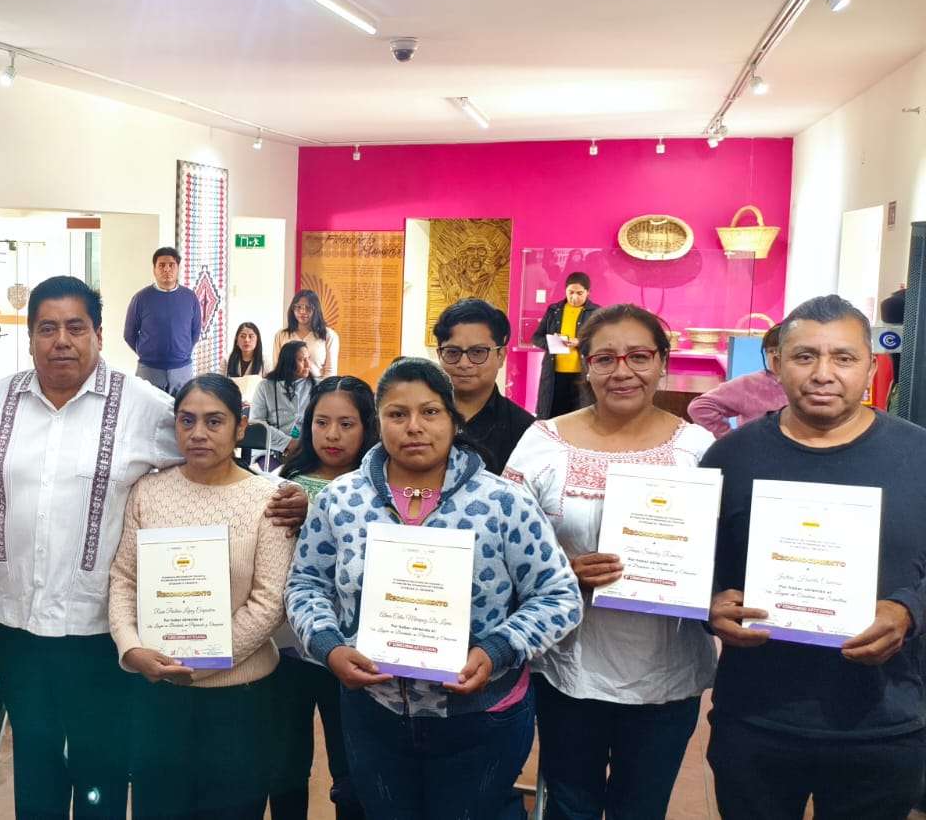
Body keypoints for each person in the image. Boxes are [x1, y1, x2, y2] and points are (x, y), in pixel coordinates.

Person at [0, 276, 306, 820]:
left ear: (100, 334)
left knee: (101, 764)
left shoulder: (144, 406)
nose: (61, 341)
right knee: (36, 760)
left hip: (101, 632)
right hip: (16, 622)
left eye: (76, 327)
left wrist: (285, 496)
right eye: (47, 328)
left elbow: (209, 452)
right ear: (30, 337)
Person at [286, 357, 581, 819]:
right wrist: (328, 646)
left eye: (430, 412)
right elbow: (306, 583)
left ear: (453, 418)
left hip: (480, 717)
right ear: (378, 421)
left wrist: (497, 650)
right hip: (374, 713)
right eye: (397, 414)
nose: (414, 427)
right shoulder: (341, 500)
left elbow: (559, 596)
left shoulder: (503, 502)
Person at [706, 294, 926, 819]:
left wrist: (910, 610)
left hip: (882, 725)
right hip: (755, 721)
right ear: (777, 364)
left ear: (871, 367)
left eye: (843, 358)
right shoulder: (730, 457)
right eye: (805, 356)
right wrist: (707, 608)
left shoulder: (918, 455)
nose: (823, 373)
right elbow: (699, 569)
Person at [503, 304, 717, 820]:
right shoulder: (543, 442)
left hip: (666, 673)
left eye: (639, 356)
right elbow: (506, 547)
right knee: (570, 805)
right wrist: (562, 573)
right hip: (569, 667)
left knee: (641, 809)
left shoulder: (698, 449)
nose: (623, 372)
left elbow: (721, 549)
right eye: (605, 359)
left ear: (662, 362)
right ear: (586, 365)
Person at [109, 374, 293, 819]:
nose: (198, 433)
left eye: (214, 421)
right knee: (158, 808)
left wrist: (197, 664)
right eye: (187, 420)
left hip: (240, 700)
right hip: (158, 692)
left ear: (240, 427)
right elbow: (124, 578)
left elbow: (269, 603)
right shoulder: (148, 491)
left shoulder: (268, 500)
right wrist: (131, 648)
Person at [271, 376, 378, 820]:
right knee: (285, 762)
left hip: (350, 648)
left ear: (368, 426)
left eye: (346, 424)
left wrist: (313, 514)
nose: (332, 435)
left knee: (350, 765)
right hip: (287, 645)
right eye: (321, 422)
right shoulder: (285, 481)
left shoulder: (377, 487)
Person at [433, 298, 535, 473]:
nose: (464, 363)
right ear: (439, 354)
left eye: (478, 352)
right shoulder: (416, 418)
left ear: (501, 356)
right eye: (452, 352)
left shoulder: (525, 430)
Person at [123, 246, 203, 393]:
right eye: (161, 265)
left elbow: (195, 331)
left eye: (171, 265)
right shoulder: (141, 298)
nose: (167, 269)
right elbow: (129, 334)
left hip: (182, 370)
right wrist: (147, 353)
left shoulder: (190, 297)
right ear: (154, 270)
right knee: (147, 407)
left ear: (178, 268)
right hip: (149, 370)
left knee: (183, 407)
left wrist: (182, 353)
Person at [687, 324, 787, 438]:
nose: (776, 357)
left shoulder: (802, 383)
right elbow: (699, 407)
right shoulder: (750, 384)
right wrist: (729, 438)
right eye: (771, 351)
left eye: (781, 350)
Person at [531, 272, 600, 418]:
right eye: (571, 292)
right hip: (554, 375)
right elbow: (536, 337)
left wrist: (580, 342)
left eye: (580, 293)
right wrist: (553, 343)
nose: (574, 297)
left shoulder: (596, 313)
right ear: (565, 291)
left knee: (579, 418)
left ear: (588, 292)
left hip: (582, 375)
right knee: (553, 417)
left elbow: (603, 342)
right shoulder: (554, 310)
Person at [251, 341, 315, 457]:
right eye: (301, 360)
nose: (308, 364)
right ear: (288, 363)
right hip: (270, 450)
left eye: (308, 358)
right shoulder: (265, 387)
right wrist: (287, 443)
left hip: (306, 451)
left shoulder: (317, 387)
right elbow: (257, 424)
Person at [273, 290, 340, 379]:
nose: (303, 311)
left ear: (316, 310)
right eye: (298, 307)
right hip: (287, 385)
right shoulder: (281, 335)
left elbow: (330, 372)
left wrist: (320, 387)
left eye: (308, 307)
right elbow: (277, 367)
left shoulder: (329, 335)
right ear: (292, 309)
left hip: (318, 385)